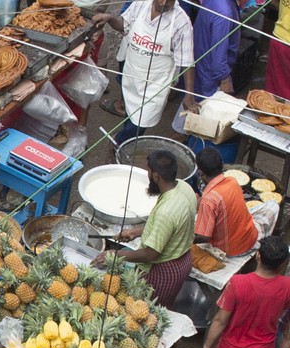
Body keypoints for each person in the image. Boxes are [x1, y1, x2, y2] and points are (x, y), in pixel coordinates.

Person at [93, 0, 196, 148]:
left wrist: (189, 94)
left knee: (140, 123)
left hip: (155, 85)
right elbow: (125, 25)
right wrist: (109, 18)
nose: (164, 3)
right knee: (130, 115)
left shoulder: (181, 22)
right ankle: (123, 143)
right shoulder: (141, 4)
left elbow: (186, 61)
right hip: (132, 75)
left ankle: (118, 142)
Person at [114, 151, 198, 307]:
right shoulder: (184, 187)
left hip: (162, 271)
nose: (148, 175)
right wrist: (134, 232)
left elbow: (150, 254)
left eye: (149, 171)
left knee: (147, 312)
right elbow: (172, 227)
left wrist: (116, 254)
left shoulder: (165, 212)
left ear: (156, 176)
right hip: (183, 259)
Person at [194, 147, 259, 258]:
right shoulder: (233, 182)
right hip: (251, 239)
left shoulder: (209, 200)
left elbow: (203, 237)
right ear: (222, 165)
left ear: (200, 172)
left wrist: (184, 241)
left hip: (230, 251)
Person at [188, 0, 240, 99]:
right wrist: (225, 79)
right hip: (208, 75)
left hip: (198, 64)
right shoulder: (225, 13)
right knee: (200, 108)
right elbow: (218, 57)